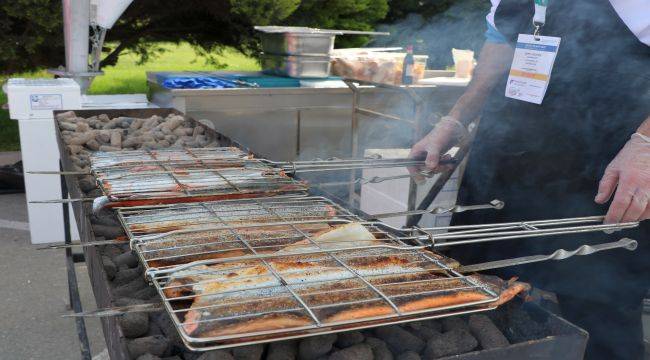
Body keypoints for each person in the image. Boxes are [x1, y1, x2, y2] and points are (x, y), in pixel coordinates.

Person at [409, 0, 649, 359]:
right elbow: (501, 42)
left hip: (601, 164)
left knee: (598, 315)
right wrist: (455, 119)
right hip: (505, 161)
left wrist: (646, 146)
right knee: (480, 298)